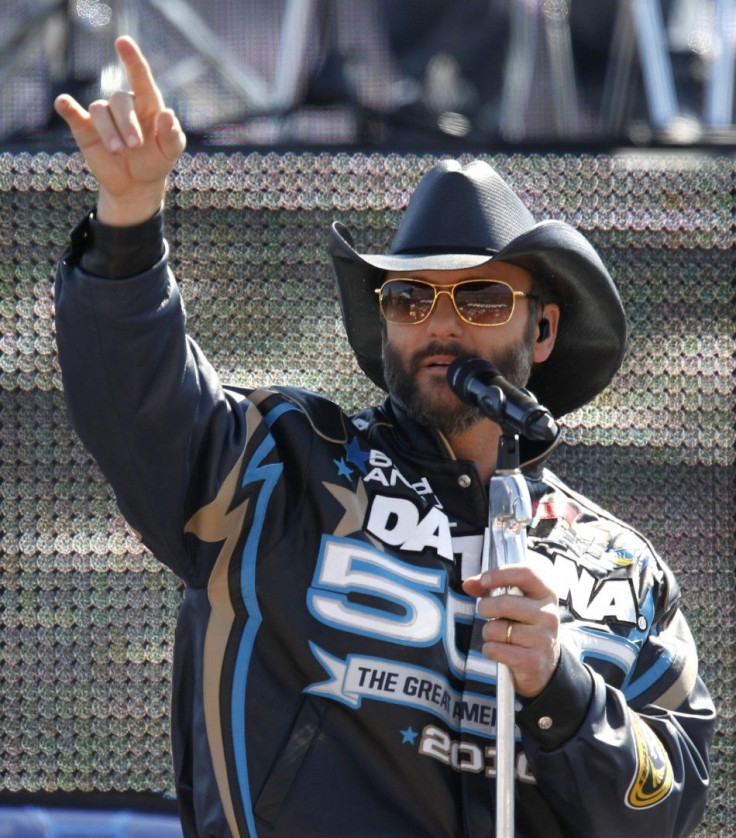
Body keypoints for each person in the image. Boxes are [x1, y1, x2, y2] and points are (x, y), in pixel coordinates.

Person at [53, 36, 714, 838]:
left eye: (476, 298)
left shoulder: (626, 570)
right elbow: (135, 404)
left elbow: (668, 807)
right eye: (407, 298)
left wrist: (562, 692)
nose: (437, 324)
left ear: (542, 330)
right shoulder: (281, 463)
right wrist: (128, 224)